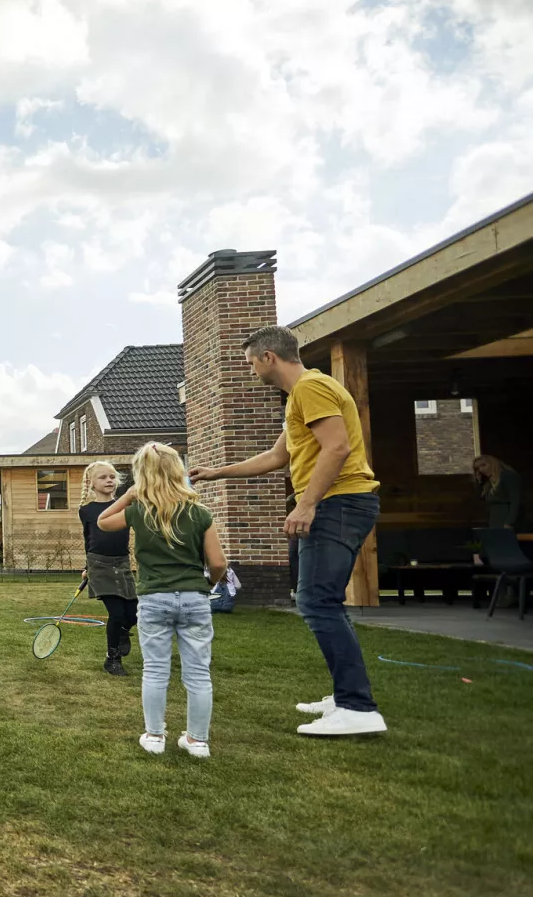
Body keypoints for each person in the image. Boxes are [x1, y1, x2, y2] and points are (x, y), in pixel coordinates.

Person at [188, 325, 386, 737]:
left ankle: (358, 708)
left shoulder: (311, 388)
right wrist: (217, 472)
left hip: (339, 503)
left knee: (316, 601)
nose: (250, 371)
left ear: (268, 358)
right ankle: (347, 694)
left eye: (250, 363)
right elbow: (278, 455)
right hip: (339, 503)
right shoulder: (302, 395)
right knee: (323, 601)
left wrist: (307, 503)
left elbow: (337, 448)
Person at [97, 443, 226, 759]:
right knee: (198, 673)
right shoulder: (200, 513)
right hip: (195, 599)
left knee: (155, 670)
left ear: (142, 477)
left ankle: (154, 736)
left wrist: (131, 494)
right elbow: (219, 563)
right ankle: (198, 742)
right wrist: (206, 585)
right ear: (179, 472)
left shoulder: (138, 512)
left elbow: (103, 521)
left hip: (154, 599)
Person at [78, 461, 136, 677]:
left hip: (122, 563)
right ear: (91, 483)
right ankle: (113, 659)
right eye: (103, 477)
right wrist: (87, 566)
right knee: (117, 613)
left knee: (133, 614)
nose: (109, 480)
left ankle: (122, 634)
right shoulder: (86, 511)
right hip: (99, 565)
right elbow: (89, 539)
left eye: (112, 477)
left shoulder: (125, 505)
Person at [473, 455, 524, 531]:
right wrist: (479, 482)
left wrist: (509, 522)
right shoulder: (489, 482)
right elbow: (480, 499)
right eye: (478, 468)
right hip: (495, 520)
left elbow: (516, 500)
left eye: (483, 465)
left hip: (506, 518)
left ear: (493, 464)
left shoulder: (507, 476)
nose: (481, 469)